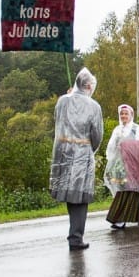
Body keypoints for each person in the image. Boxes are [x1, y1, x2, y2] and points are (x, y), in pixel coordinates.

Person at [50, 68, 103, 251]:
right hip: (82, 151)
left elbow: (57, 121)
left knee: (70, 192)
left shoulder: (62, 101)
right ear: (88, 86)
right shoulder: (94, 106)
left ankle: (74, 235)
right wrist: (89, 149)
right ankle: (76, 237)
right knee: (80, 195)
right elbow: (97, 134)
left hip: (63, 151)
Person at [104, 104, 139, 229]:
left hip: (135, 166)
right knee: (126, 189)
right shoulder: (117, 130)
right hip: (121, 166)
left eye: (126, 113)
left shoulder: (137, 129)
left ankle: (120, 219)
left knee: (132, 190)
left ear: (131, 115)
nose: (123, 116)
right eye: (121, 114)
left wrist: (127, 146)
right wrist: (116, 149)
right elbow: (110, 148)